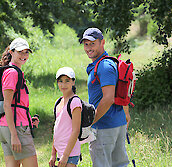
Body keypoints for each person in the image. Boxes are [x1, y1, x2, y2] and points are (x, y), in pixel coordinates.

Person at [80, 28, 130, 167]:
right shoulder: (107, 63)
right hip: (117, 123)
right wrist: (126, 114)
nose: (88, 48)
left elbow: (108, 98)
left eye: (92, 43)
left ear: (102, 42)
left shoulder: (104, 66)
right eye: (86, 44)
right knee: (119, 164)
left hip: (104, 127)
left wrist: (89, 123)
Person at [0, 37, 39, 167]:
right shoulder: (12, 73)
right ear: (11, 52)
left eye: (26, 52)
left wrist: (28, 120)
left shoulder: (13, 71)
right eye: (20, 52)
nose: (24, 55)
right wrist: (14, 135)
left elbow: (16, 105)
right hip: (16, 129)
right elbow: (7, 105)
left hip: (7, 127)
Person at [49, 67, 82, 167]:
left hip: (70, 153)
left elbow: (76, 131)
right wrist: (53, 154)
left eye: (67, 81)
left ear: (73, 82)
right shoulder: (58, 102)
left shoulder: (75, 102)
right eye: (60, 81)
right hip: (60, 152)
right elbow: (56, 129)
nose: (63, 84)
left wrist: (65, 155)